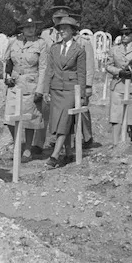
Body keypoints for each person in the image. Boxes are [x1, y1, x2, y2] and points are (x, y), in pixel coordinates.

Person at [40, 16, 87, 168]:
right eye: (60, 28)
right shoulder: (54, 48)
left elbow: (81, 73)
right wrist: (46, 90)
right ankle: (68, 153)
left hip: (70, 90)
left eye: (66, 28)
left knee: (64, 121)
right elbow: (49, 70)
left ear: (73, 31)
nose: (62, 31)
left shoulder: (79, 50)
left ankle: (54, 156)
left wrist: (82, 95)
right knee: (59, 121)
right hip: (56, 89)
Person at [3, 16, 47, 163]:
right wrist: (6, 76)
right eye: (27, 27)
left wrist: (40, 89)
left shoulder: (40, 44)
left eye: (33, 27)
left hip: (31, 83)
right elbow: (7, 61)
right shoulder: (13, 42)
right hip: (15, 83)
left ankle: (28, 149)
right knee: (9, 116)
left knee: (30, 118)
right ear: (22, 28)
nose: (30, 29)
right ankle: (17, 144)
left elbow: (43, 68)